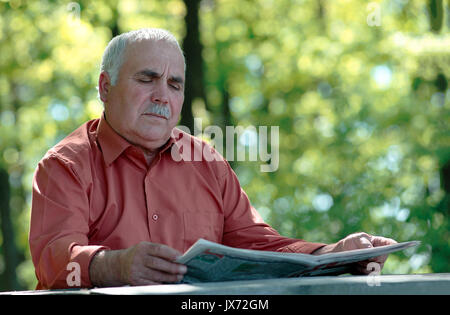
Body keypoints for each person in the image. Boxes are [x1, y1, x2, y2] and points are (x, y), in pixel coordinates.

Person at [29, 28, 396, 289]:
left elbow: (259, 245)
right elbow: (54, 261)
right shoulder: (67, 164)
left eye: (175, 84)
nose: (163, 96)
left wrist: (333, 253)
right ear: (105, 87)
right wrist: (114, 265)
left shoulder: (205, 160)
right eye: (147, 79)